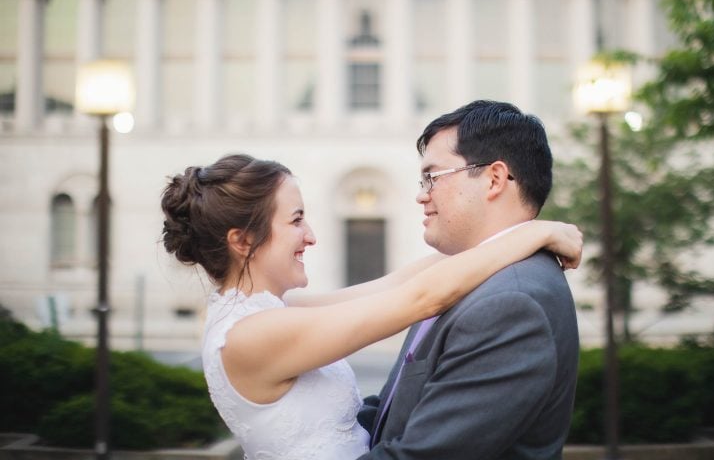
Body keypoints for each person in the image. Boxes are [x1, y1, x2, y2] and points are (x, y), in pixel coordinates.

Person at [160, 153, 582, 460]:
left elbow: (399, 283)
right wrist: (540, 232)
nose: (310, 235)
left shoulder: (272, 311)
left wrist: (504, 235)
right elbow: (421, 298)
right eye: (295, 220)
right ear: (243, 241)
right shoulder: (254, 335)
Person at [358, 100, 580, 460]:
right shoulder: (464, 277)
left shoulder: (510, 303)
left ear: (494, 179)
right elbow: (390, 409)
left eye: (432, 176)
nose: (421, 194)